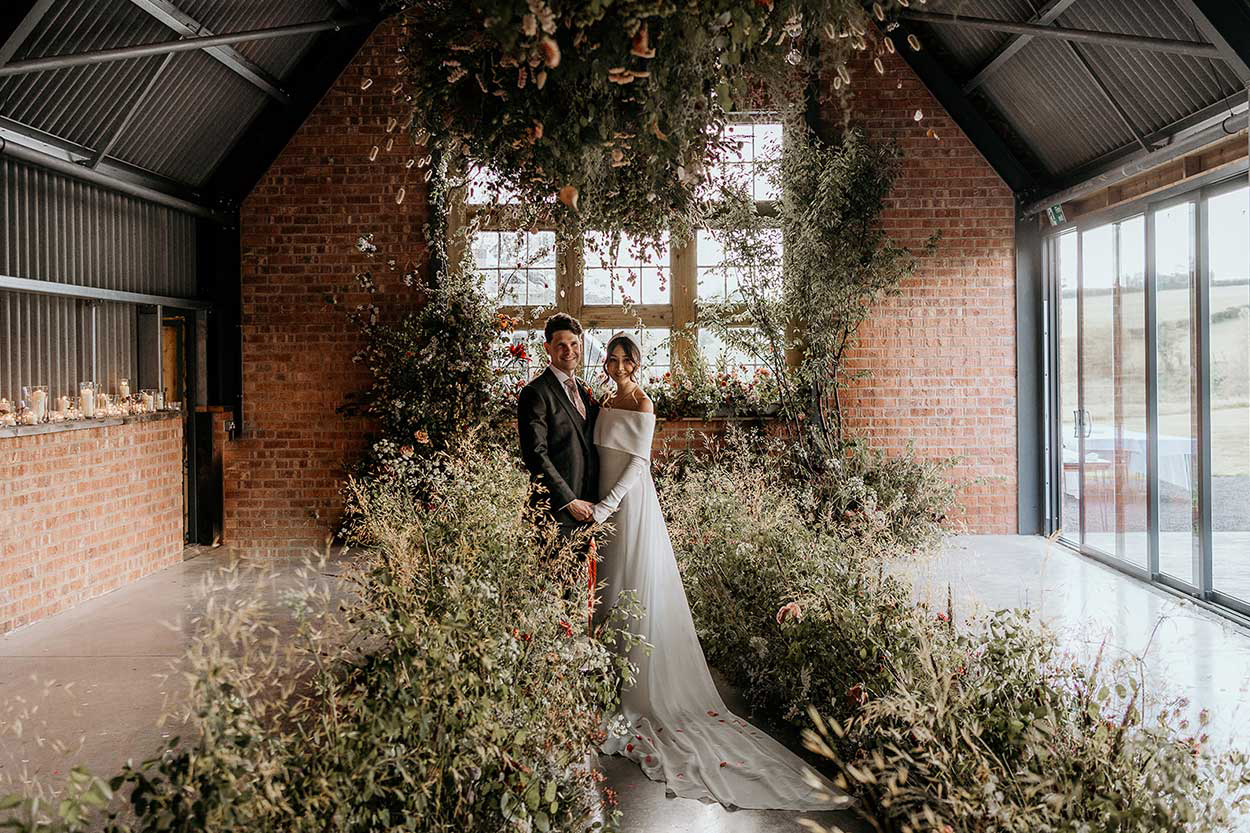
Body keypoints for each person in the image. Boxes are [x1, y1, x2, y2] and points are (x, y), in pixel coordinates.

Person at [590, 331, 849, 811]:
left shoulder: (644, 406)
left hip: (628, 507)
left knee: (632, 586)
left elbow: (636, 466)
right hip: (601, 511)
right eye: (613, 356)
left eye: (626, 358)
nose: (618, 363)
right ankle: (608, 679)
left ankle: (638, 690)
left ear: (637, 363)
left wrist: (606, 506)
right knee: (608, 589)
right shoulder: (603, 399)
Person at [517, 313, 601, 543]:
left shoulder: (584, 391)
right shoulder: (535, 393)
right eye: (560, 345)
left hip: (587, 510)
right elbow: (535, 455)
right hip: (553, 512)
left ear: (580, 345)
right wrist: (570, 501)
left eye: (574, 344)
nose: (569, 351)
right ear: (547, 348)